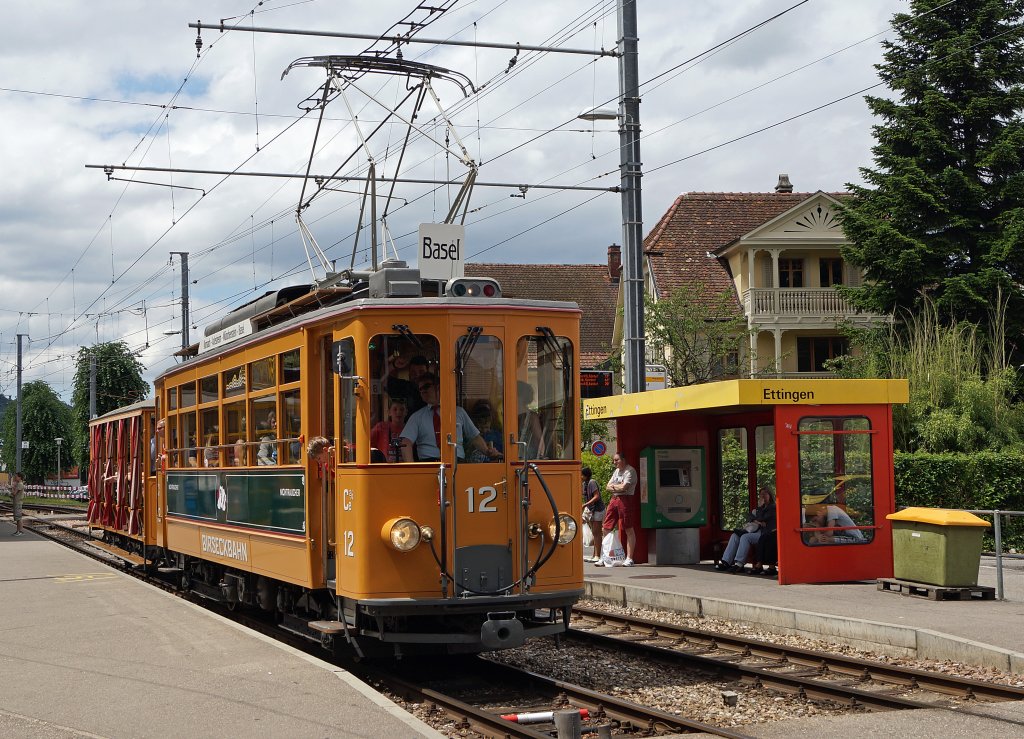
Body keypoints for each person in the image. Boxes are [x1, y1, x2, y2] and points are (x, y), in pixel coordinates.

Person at [400, 374, 501, 463]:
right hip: (429, 464)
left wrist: (488, 452)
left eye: (426, 386)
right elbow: (406, 442)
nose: (423, 391)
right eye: (420, 389)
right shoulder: (417, 417)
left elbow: (474, 436)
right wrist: (412, 469)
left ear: (439, 387)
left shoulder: (459, 412)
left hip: (457, 463)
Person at [717, 486, 776, 573]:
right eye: (761, 494)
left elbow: (761, 517)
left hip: (765, 533)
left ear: (770, 495)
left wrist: (758, 514)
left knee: (745, 537)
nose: (762, 496)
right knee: (735, 535)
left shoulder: (772, 507)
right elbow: (750, 516)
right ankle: (726, 561)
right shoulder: (761, 508)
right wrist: (757, 520)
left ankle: (739, 564)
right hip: (756, 530)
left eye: (765, 494)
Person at [605, 453, 637, 566]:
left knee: (628, 527)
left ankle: (629, 558)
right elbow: (607, 486)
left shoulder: (630, 471)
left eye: (616, 460)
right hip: (614, 499)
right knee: (606, 527)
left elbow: (625, 487)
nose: (614, 462)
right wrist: (616, 487)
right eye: (613, 460)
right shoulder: (616, 471)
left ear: (623, 459)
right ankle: (605, 556)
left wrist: (615, 487)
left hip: (625, 499)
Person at [516, 381, 546, 459]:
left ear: (522, 397)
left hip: (526, 458)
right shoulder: (510, 415)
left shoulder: (531, 416)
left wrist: (540, 457)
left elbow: (539, 440)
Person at [581, 466, 604, 562]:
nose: (580, 476)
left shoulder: (592, 482)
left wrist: (585, 504)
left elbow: (597, 496)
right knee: (594, 533)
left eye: (581, 475)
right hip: (591, 510)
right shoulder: (584, 484)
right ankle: (595, 555)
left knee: (596, 532)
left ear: (585, 475)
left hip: (598, 509)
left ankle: (597, 555)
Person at [11, 471, 25, 535]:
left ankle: (20, 531)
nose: (15, 478)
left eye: (16, 477)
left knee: (19, 518)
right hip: (17, 502)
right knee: (17, 517)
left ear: (20, 477)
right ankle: (18, 531)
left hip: (18, 502)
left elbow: (14, 493)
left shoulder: (20, 484)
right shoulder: (18, 484)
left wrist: (11, 489)